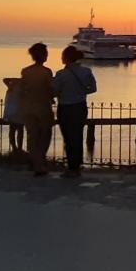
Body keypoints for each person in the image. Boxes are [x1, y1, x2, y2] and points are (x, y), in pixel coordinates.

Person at [52, 46, 96, 178]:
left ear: (66, 58)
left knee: (68, 138)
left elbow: (54, 91)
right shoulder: (86, 71)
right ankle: (76, 165)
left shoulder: (61, 74)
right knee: (77, 136)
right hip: (80, 106)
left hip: (65, 107)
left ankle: (71, 167)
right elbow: (93, 88)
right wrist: (80, 92)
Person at [20, 43, 54, 177]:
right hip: (43, 107)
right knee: (45, 135)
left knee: (32, 136)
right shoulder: (46, 72)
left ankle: (36, 163)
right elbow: (51, 89)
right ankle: (40, 162)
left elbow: (23, 89)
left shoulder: (26, 71)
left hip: (28, 107)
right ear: (43, 55)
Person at [2, 78, 25, 154]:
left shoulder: (21, 84)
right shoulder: (17, 82)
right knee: (16, 129)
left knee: (17, 129)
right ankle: (16, 148)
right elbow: (5, 79)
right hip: (15, 109)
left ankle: (17, 148)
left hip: (18, 109)